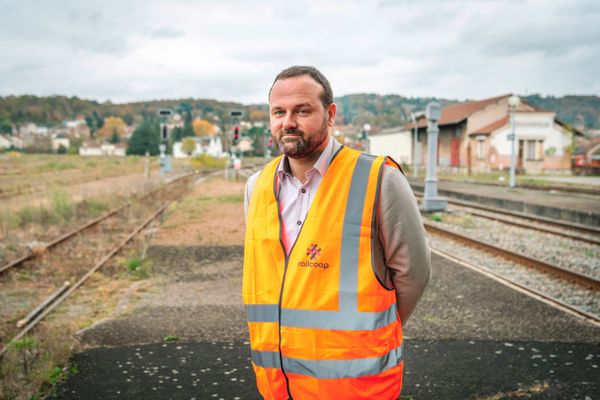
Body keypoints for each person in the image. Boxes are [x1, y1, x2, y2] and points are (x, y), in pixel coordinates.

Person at [243, 65, 430, 400]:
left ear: (330, 114)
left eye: (302, 110)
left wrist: (367, 334)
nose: (288, 122)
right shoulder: (256, 188)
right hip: (278, 387)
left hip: (354, 387)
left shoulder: (379, 179)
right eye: (278, 112)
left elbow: (413, 275)